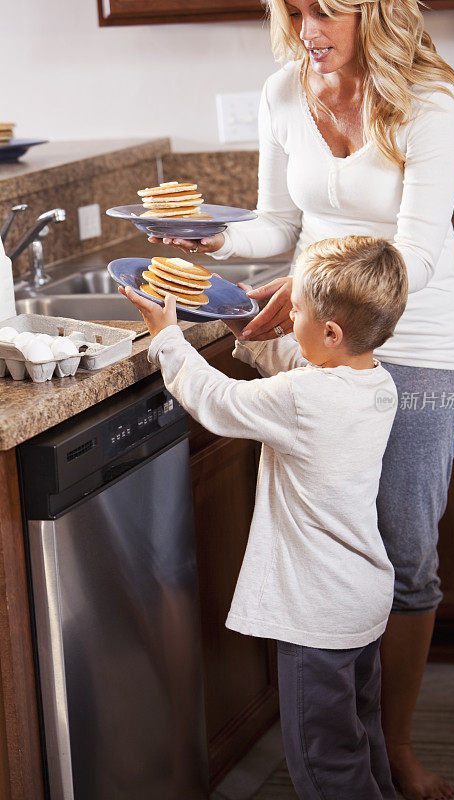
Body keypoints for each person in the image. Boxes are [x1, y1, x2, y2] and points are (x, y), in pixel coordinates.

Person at [152, 2, 454, 798]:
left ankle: (390, 749)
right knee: (327, 547)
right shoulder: (283, 91)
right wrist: (219, 239)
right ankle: (346, 739)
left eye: (324, 11)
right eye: (292, 9)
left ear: (375, 12)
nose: (305, 28)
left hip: (421, 349)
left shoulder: (428, 100)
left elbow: (419, 252)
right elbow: (277, 222)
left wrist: (307, 281)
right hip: (320, 345)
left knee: (403, 554)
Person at [121, 234, 408, 800]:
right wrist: (243, 330)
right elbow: (301, 370)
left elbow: (218, 400)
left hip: (315, 613)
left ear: (331, 332)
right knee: (360, 739)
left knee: (323, 763)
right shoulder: (377, 384)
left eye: (295, 309)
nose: (288, 317)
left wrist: (167, 337)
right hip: (362, 603)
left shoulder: (303, 399)